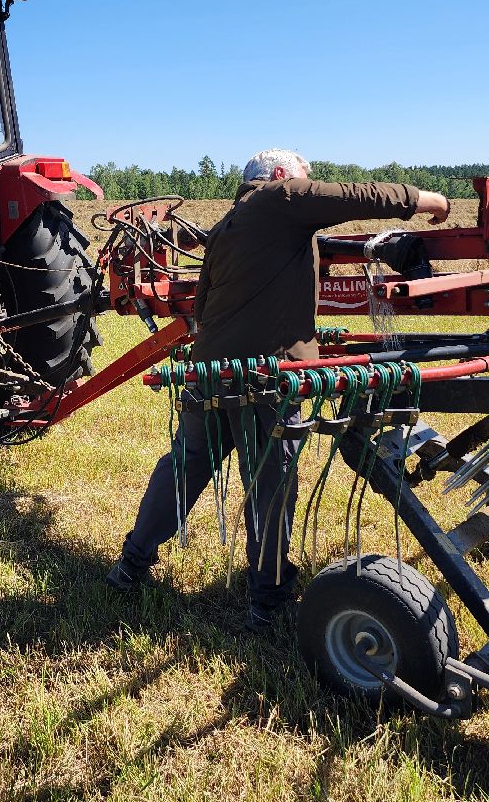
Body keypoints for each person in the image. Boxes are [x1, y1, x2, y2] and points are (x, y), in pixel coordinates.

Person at [107, 149, 451, 631]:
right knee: (271, 483)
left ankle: (131, 565)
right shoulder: (278, 197)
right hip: (265, 378)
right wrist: (426, 200)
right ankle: (266, 601)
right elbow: (353, 196)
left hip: (209, 372)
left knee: (184, 466)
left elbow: (203, 304)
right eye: (305, 179)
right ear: (283, 176)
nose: (307, 186)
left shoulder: (229, 225)